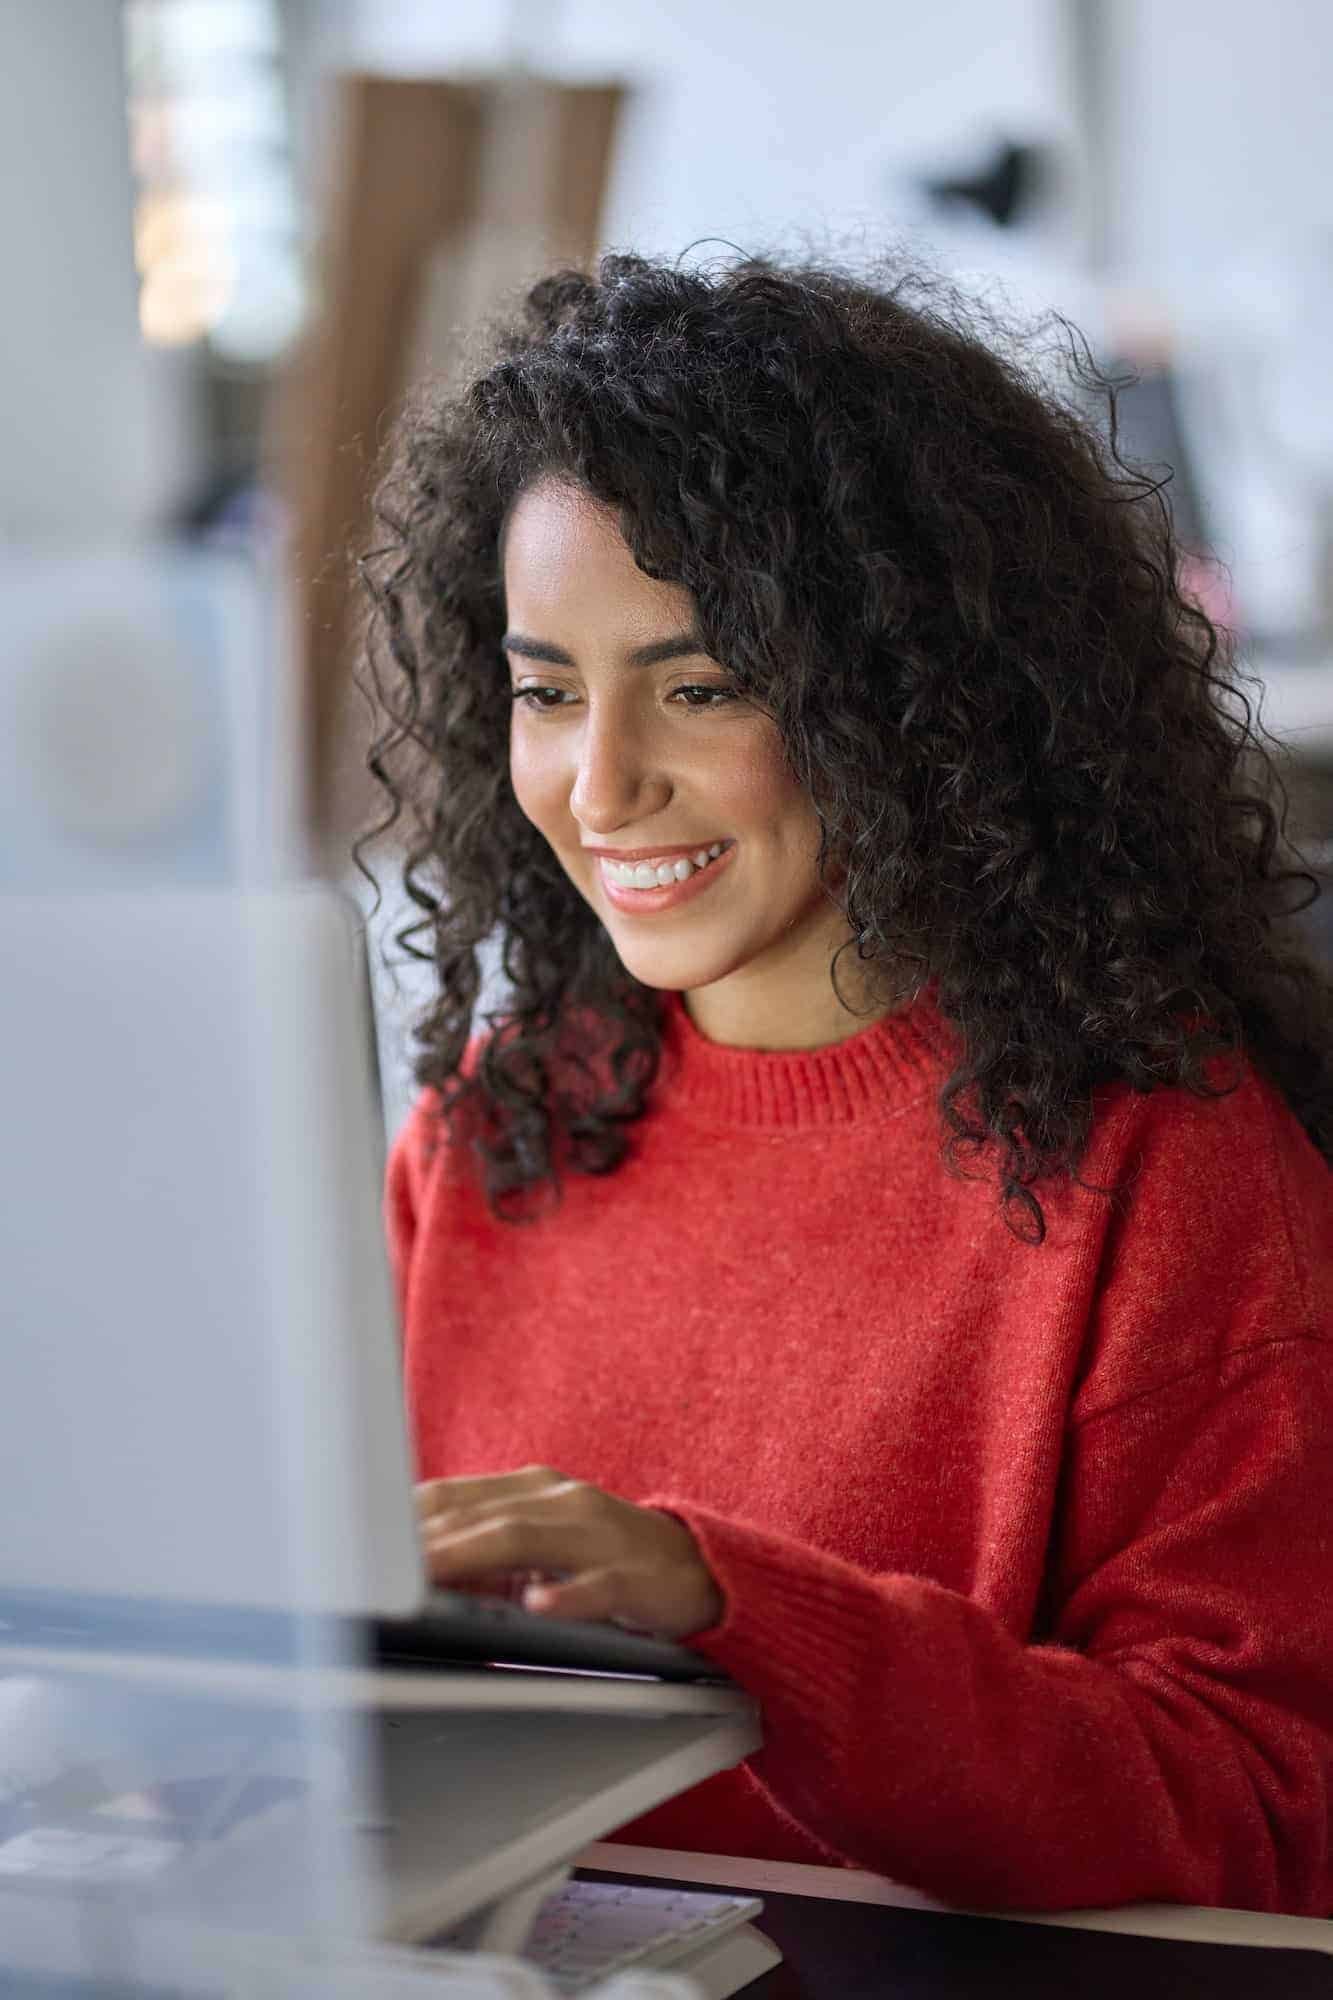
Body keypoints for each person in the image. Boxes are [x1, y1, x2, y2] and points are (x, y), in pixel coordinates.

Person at [355, 246, 1333, 1916]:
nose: (602, 785)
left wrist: (725, 1601)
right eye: (543, 692)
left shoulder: (1171, 1178)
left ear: (909, 692)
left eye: (702, 685)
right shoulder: (487, 1129)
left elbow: (1259, 1811)